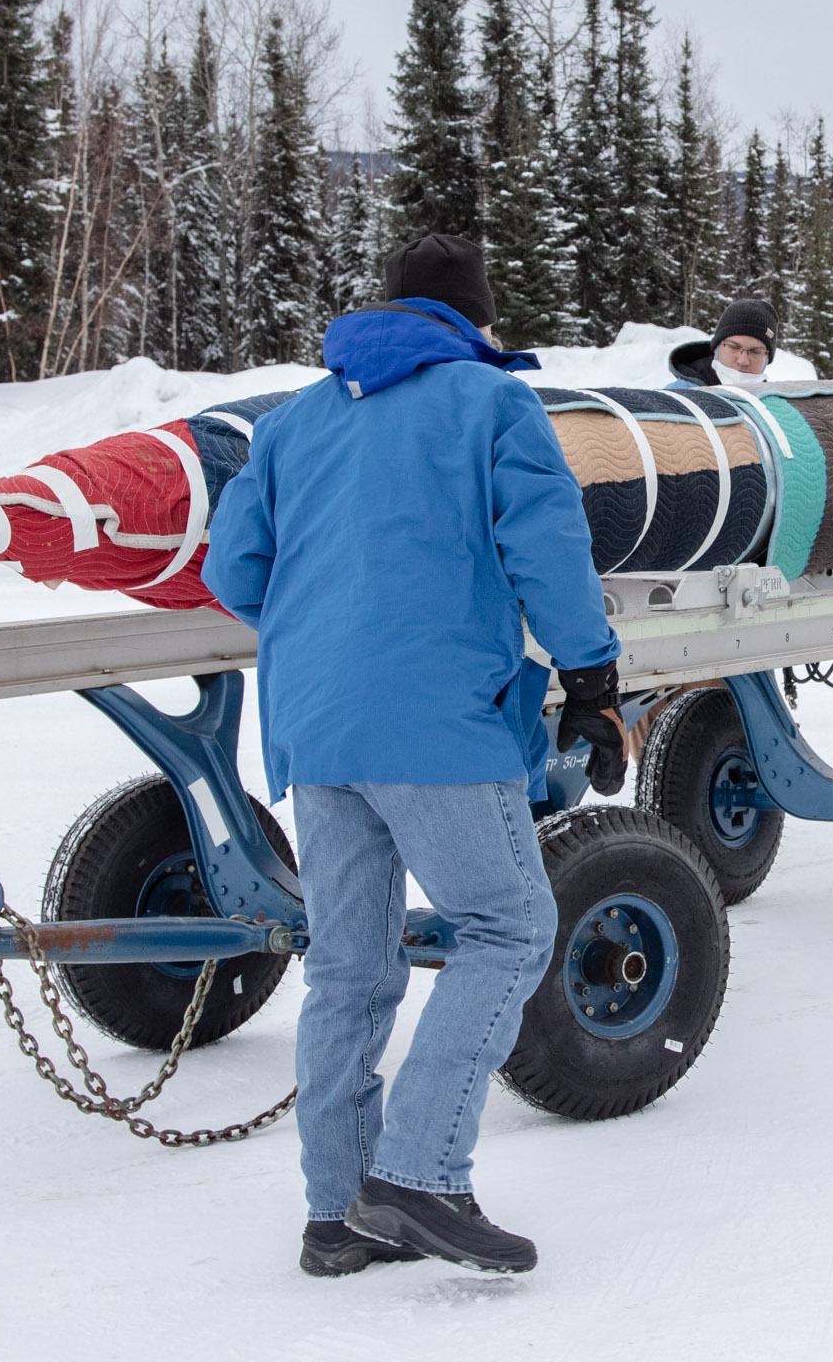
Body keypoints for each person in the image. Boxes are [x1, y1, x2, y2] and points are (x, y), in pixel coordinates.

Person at [203, 232, 631, 1279]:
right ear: (475, 322)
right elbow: (550, 553)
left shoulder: (294, 421)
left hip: (312, 724)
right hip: (436, 719)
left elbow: (232, 570)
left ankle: (340, 1214)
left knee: (349, 969)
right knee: (512, 921)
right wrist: (593, 681)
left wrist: (326, 630)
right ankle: (421, 1174)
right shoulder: (494, 405)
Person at [666, 298, 779, 389]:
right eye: (733, 346)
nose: (743, 361)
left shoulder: (776, 407)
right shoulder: (675, 399)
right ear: (716, 348)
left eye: (756, 352)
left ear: (767, 358)